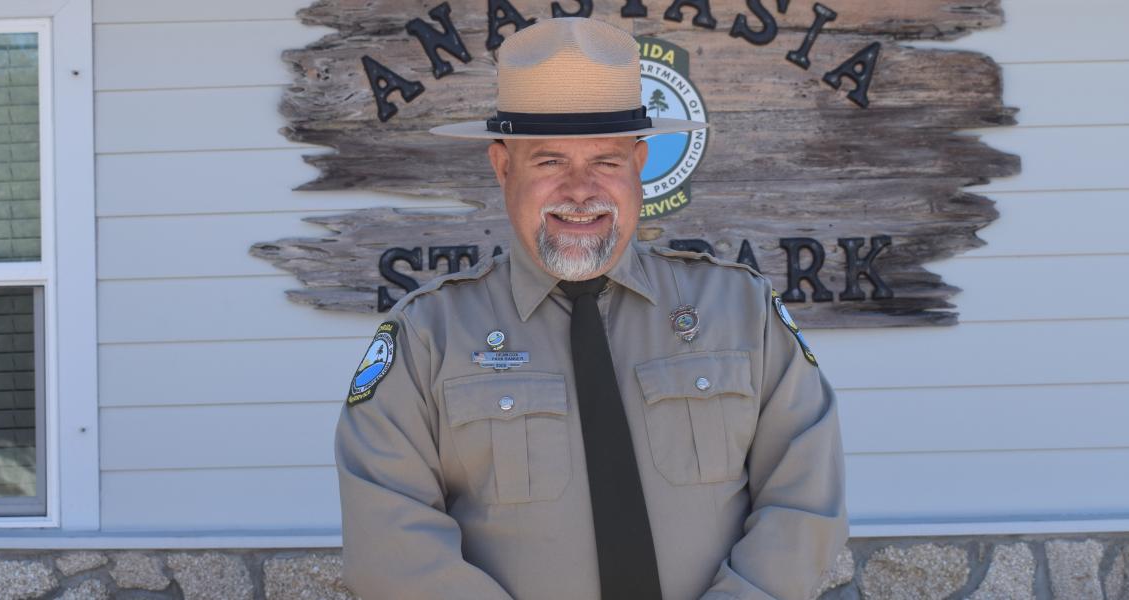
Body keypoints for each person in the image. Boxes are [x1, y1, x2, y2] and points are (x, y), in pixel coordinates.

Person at [333, 16, 847, 600]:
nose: (581, 191)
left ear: (640, 163)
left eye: (605, 161)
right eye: (550, 162)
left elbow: (804, 499)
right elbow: (390, 544)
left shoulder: (741, 312)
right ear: (504, 168)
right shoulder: (429, 336)